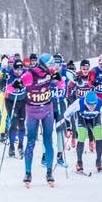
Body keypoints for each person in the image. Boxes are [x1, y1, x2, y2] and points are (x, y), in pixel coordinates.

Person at [20, 53, 62, 185]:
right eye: (50, 64)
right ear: (43, 65)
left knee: (48, 140)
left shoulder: (51, 73)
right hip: (32, 111)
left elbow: (61, 85)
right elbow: (15, 85)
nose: (52, 67)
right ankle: (28, 173)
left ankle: (49, 172)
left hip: (47, 110)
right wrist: (11, 87)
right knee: (31, 141)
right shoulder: (30, 74)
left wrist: (58, 80)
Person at [58, 90, 102, 173]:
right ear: (85, 102)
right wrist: (69, 128)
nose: (92, 107)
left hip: (95, 119)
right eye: (89, 105)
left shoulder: (100, 103)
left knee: (98, 135)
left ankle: (98, 162)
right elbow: (66, 115)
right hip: (82, 119)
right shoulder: (79, 102)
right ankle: (79, 162)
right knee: (82, 135)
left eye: (94, 105)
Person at [2, 60, 27, 158]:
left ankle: (20, 146)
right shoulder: (9, 75)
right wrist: (12, 86)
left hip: (22, 101)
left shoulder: (26, 74)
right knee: (14, 123)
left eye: (21, 69)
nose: (19, 71)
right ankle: (11, 147)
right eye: (17, 69)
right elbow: (2, 87)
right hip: (11, 102)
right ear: (13, 68)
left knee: (22, 123)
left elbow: (31, 82)